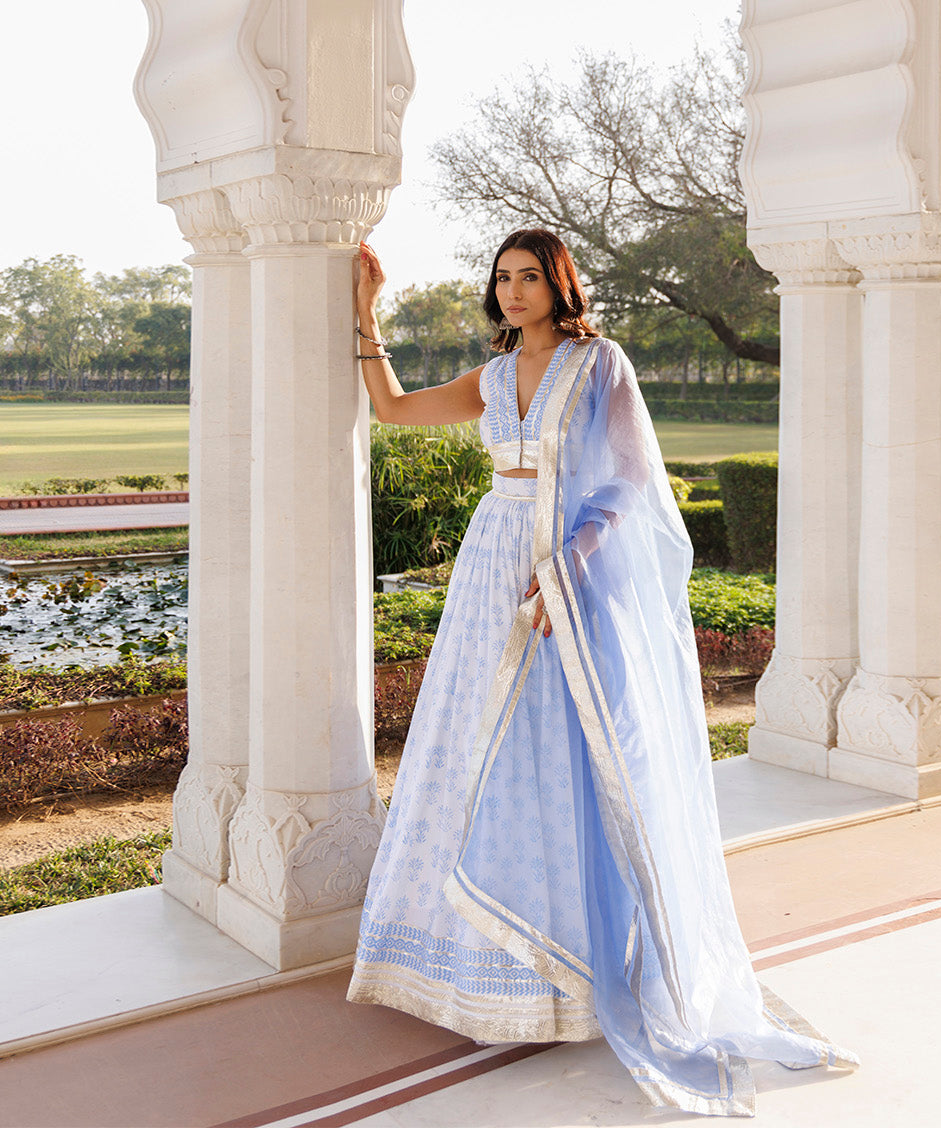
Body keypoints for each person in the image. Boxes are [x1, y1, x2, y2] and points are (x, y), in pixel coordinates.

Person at [347, 228, 857, 1117]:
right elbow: (392, 409)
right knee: (476, 753)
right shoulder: (493, 377)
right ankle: (484, 968)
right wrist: (365, 308)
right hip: (491, 569)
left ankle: (575, 971)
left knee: (573, 758)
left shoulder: (599, 362)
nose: (513, 291)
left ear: (559, 284)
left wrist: (570, 566)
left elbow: (630, 478)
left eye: (529, 277)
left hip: (568, 581)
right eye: (502, 278)